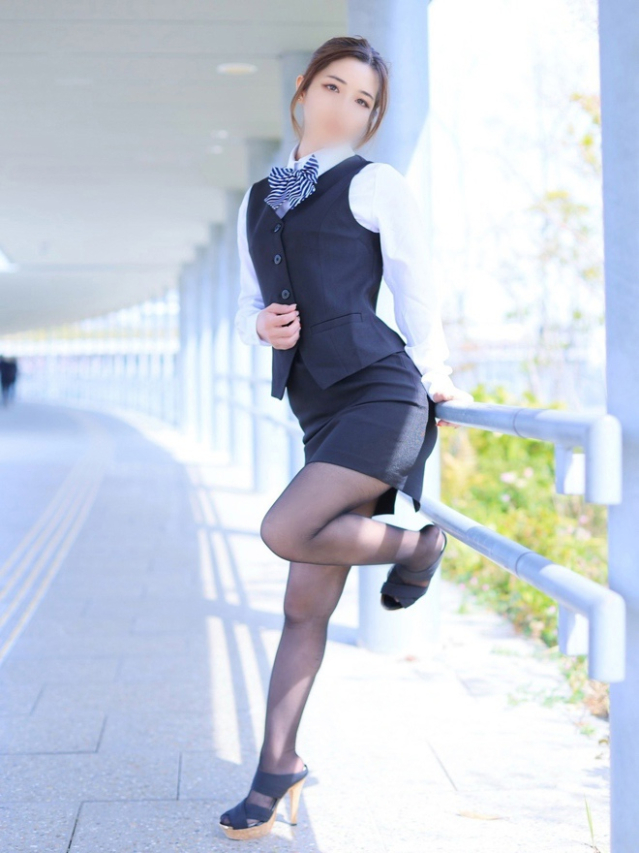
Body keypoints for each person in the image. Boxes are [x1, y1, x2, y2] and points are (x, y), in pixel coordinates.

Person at [219, 36, 474, 840]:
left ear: (370, 119)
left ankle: (416, 546)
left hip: (380, 395)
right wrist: (261, 325)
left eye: (363, 101)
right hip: (317, 410)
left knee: (283, 529)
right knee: (303, 600)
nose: (344, 108)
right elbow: (247, 301)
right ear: (303, 89)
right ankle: (277, 766)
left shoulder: (374, 183)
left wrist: (434, 371)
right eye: (333, 87)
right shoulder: (258, 198)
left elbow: (414, 283)